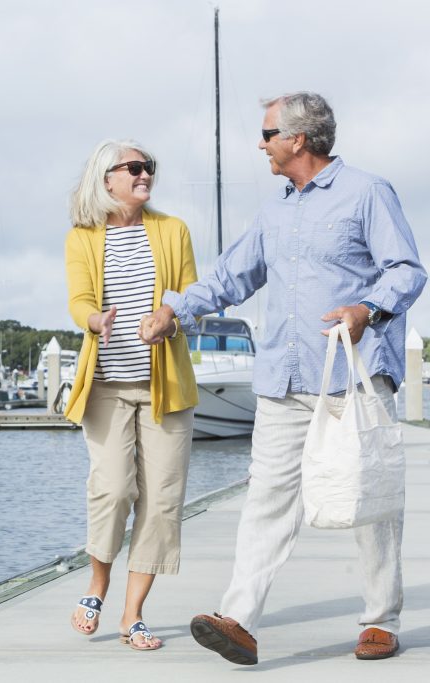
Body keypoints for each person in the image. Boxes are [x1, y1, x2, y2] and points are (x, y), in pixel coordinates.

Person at [140, 91, 427, 664]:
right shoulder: (274, 210)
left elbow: (407, 269)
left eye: (268, 133)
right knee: (267, 498)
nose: (261, 143)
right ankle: (239, 620)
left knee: (368, 499)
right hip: (282, 377)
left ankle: (380, 620)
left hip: (354, 376)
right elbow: (231, 275)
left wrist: (365, 310)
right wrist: (177, 308)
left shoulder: (367, 192)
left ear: (298, 139)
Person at [64, 139, 200, 651]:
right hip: (106, 387)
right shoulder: (81, 237)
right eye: (135, 168)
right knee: (114, 490)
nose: (145, 175)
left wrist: (169, 321)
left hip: (166, 389)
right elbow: (79, 298)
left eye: (150, 168)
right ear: (107, 179)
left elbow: (190, 300)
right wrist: (94, 320)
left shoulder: (173, 231)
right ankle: (97, 583)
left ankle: (132, 613)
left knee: (163, 502)